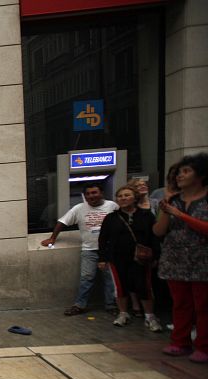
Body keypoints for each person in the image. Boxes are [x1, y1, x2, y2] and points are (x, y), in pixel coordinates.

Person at [153, 153, 208, 363]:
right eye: (179, 172)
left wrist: (180, 214)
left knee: (203, 305)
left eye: (186, 172)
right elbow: (158, 231)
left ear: (200, 175)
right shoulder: (172, 201)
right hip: (175, 258)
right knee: (180, 303)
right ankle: (180, 342)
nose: (180, 176)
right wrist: (166, 211)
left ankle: (203, 346)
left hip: (202, 259)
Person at [41, 184, 118, 315]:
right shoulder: (79, 208)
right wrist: (52, 238)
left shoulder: (112, 206)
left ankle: (111, 305)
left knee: (110, 279)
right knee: (86, 278)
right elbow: (62, 222)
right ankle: (80, 305)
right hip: (89, 250)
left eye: (94, 192)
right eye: (88, 194)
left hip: (109, 250)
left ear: (102, 193)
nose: (91, 196)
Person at [97, 186, 162, 331]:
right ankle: (123, 313)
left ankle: (150, 316)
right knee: (120, 286)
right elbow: (103, 239)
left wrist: (156, 256)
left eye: (127, 195)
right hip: (117, 258)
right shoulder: (111, 218)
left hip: (141, 259)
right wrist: (102, 258)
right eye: (120, 196)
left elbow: (154, 237)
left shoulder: (146, 216)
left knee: (144, 286)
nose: (123, 198)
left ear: (134, 198)